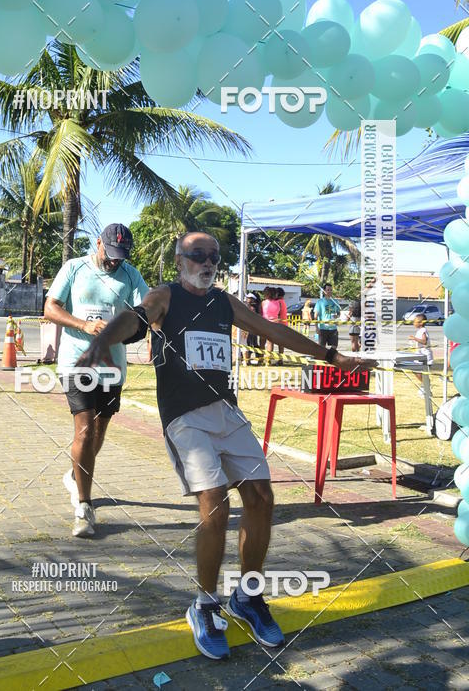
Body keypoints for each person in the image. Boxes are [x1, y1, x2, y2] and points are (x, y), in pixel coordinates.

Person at [76, 231, 371, 660]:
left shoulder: (224, 302)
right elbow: (134, 319)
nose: (208, 262)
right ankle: (205, 603)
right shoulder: (166, 296)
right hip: (184, 417)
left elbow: (272, 330)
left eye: (214, 256)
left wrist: (332, 357)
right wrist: (103, 340)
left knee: (262, 497)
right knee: (214, 504)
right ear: (180, 260)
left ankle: (248, 597)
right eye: (198, 255)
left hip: (226, 412)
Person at [44, 224, 148, 537]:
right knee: (85, 429)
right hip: (77, 362)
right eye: (111, 253)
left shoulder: (131, 275)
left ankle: (75, 475)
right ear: (98, 243)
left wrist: (127, 329)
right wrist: (83, 325)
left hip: (112, 366)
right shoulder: (74, 268)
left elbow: (145, 313)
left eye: (121, 255)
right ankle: (84, 507)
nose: (115, 261)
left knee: (99, 432)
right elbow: (50, 308)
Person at [313, 284, 341, 348]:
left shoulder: (335, 301)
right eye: (328, 290)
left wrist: (337, 316)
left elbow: (339, 313)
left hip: (333, 328)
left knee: (334, 346)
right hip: (323, 328)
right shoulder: (320, 302)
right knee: (321, 347)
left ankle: (329, 355)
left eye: (331, 290)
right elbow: (315, 316)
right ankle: (324, 354)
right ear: (324, 291)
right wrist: (316, 328)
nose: (329, 291)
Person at [410, 314, 434, 387]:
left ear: (421, 323)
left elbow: (424, 341)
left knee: (419, 371)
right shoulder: (420, 330)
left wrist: (414, 338)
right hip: (420, 355)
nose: (413, 323)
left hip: (425, 357)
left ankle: (426, 385)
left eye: (415, 321)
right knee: (416, 371)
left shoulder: (423, 330)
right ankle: (426, 385)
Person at [261, 286, 280, 364]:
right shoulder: (278, 303)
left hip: (264, 322)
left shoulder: (263, 302)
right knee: (270, 342)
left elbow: (261, 313)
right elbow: (278, 313)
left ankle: (261, 358)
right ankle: (268, 360)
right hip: (274, 323)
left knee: (262, 342)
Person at [242, 292, 262, 366]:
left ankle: (251, 359)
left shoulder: (253, 307)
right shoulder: (248, 306)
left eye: (249, 298)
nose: (247, 299)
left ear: (253, 299)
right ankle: (249, 360)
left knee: (251, 344)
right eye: (247, 297)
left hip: (251, 328)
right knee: (251, 344)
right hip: (250, 328)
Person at [275, 287, 288, 366]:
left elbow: (278, 312)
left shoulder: (278, 302)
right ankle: (281, 359)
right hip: (284, 323)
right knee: (281, 344)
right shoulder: (283, 301)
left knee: (277, 343)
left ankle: (280, 360)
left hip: (279, 323)